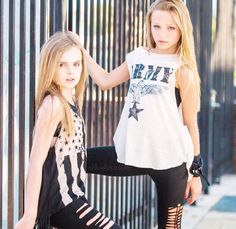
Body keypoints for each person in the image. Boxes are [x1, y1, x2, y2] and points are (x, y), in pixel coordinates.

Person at [82, 0, 203, 228]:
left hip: (172, 162)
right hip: (132, 153)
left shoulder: (183, 69)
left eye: (171, 28)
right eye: (157, 26)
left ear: (181, 29)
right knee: (76, 159)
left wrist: (195, 174)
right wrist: (81, 50)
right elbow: (106, 81)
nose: (162, 34)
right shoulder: (138, 56)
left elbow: (191, 124)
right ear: (149, 25)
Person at [15, 31, 121, 229]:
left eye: (76, 64)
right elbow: (36, 161)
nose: (71, 71)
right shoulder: (53, 105)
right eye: (61, 64)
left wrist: (78, 43)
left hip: (74, 199)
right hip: (62, 205)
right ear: (49, 66)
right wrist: (29, 215)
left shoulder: (70, 97)